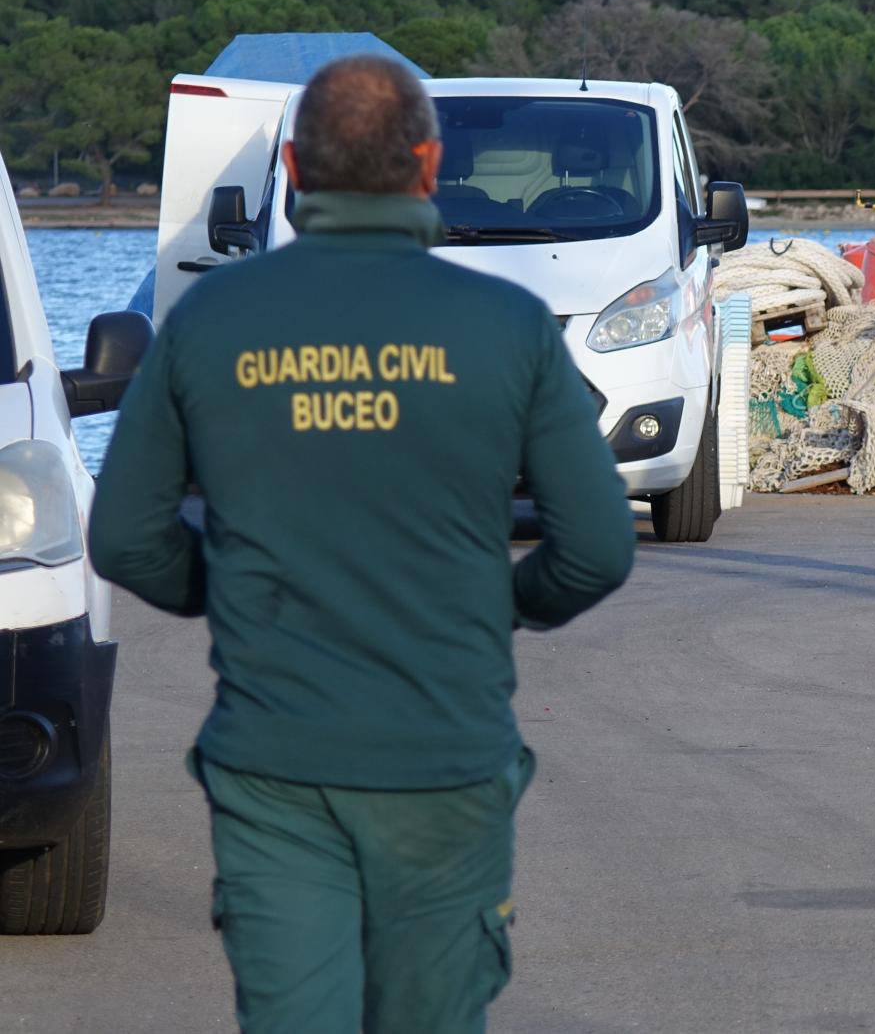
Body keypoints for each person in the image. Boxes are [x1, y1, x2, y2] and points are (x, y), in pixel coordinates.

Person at [88, 55, 638, 1034]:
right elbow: (595, 549)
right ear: (430, 167)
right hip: (444, 762)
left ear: (294, 170)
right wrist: (500, 602)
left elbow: (125, 541)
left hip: (276, 764)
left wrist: (232, 590)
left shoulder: (211, 317)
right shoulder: (506, 324)